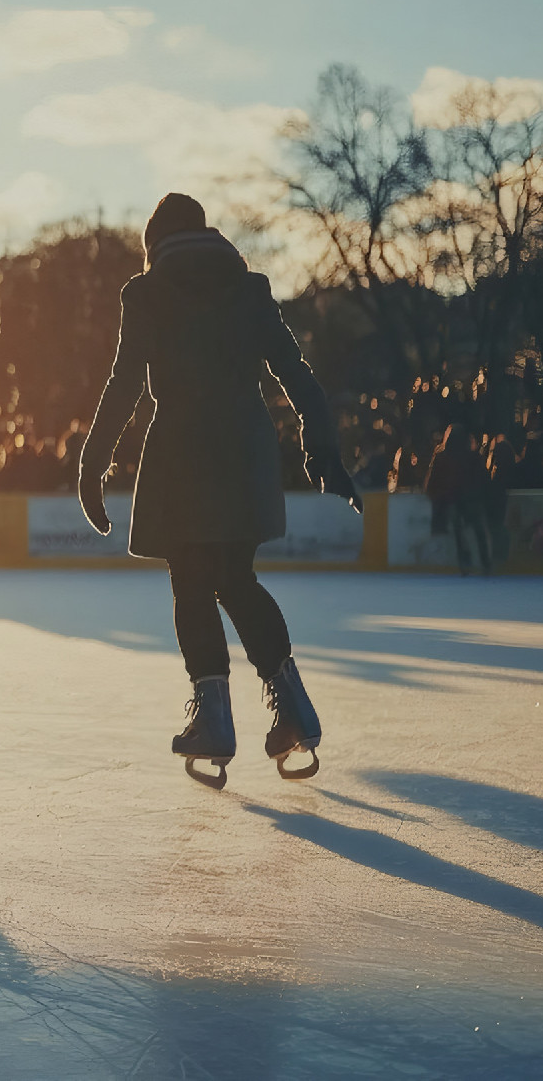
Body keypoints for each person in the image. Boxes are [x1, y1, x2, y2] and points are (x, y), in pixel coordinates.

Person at [77, 194, 357, 789]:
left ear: (154, 245)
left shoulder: (146, 293)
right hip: (245, 453)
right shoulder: (249, 290)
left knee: (192, 583)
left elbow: (126, 381)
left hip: (182, 452)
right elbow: (296, 373)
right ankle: (294, 709)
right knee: (235, 578)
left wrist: (92, 464)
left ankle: (214, 721)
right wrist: (322, 450)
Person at [425, 423, 491, 576]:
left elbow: (432, 484)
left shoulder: (443, 457)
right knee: (478, 531)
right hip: (470, 499)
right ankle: (485, 563)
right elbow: (484, 480)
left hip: (452, 500)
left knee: (459, 533)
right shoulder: (473, 457)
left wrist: (439, 498)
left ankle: (465, 563)